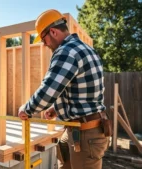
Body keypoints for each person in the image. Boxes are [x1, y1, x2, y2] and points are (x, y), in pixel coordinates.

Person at [18, 9, 110, 169]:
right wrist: (56, 108)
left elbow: (48, 90)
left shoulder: (66, 52)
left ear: (53, 32)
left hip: (85, 134)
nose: (44, 44)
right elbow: (82, 91)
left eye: (44, 39)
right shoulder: (85, 49)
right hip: (78, 129)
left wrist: (27, 109)